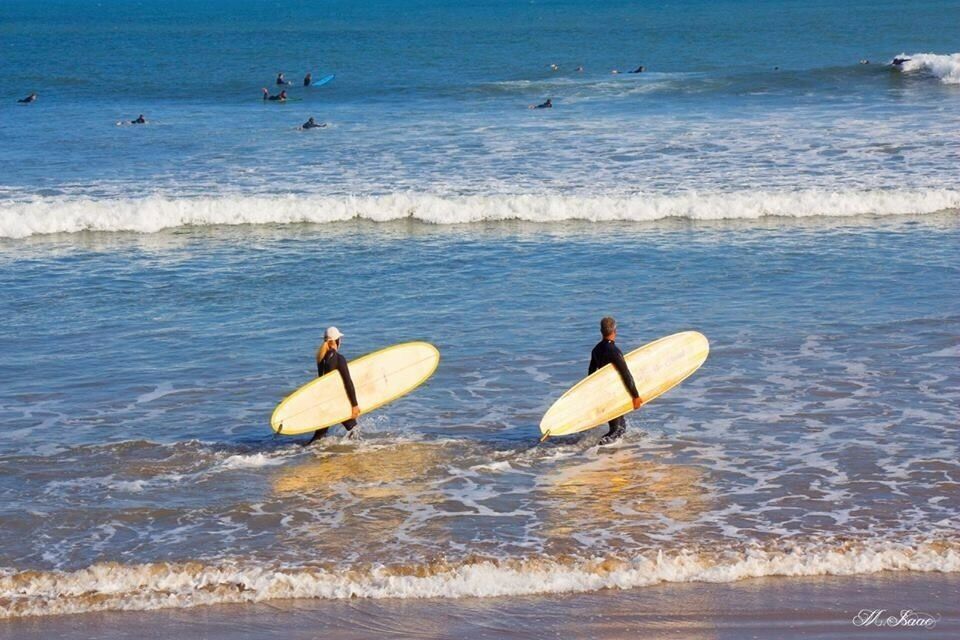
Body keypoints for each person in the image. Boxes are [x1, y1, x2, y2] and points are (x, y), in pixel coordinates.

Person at [589, 317, 643, 445]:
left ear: (601, 331)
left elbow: (591, 374)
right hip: (614, 393)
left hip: (604, 392)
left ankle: (612, 456)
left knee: (621, 427)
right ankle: (598, 448)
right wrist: (635, 396)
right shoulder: (614, 351)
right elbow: (626, 374)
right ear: (615, 331)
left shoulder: (596, 350)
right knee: (617, 430)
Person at [307, 327, 360, 444]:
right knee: (354, 430)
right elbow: (348, 382)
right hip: (335, 402)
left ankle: (304, 454)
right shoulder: (339, 358)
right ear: (337, 341)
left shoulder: (321, 358)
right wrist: (354, 405)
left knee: (319, 436)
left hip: (324, 402)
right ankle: (354, 456)